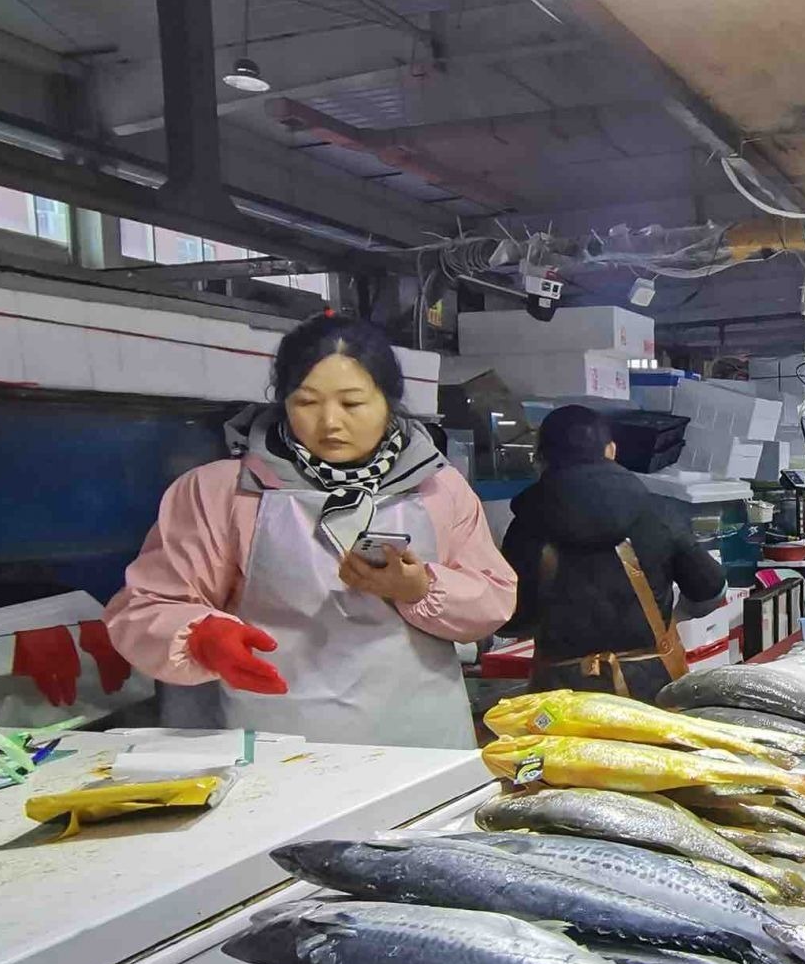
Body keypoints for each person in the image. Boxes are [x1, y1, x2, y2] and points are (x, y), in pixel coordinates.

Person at [105, 316, 513, 749]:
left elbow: (494, 598)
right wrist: (202, 635)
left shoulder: (438, 487)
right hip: (275, 746)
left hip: (420, 741)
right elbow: (148, 605)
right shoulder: (219, 491)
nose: (330, 423)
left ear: (389, 402)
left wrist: (420, 588)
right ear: (283, 402)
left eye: (352, 404)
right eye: (306, 403)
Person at [501, 406, 726, 703]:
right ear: (611, 450)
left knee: (566, 752)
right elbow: (709, 589)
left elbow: (511, 618)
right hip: (651, 690)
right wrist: (666, 618)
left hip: (560, 697)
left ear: (542, 458)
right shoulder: (657, 512)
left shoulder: (525, 526)